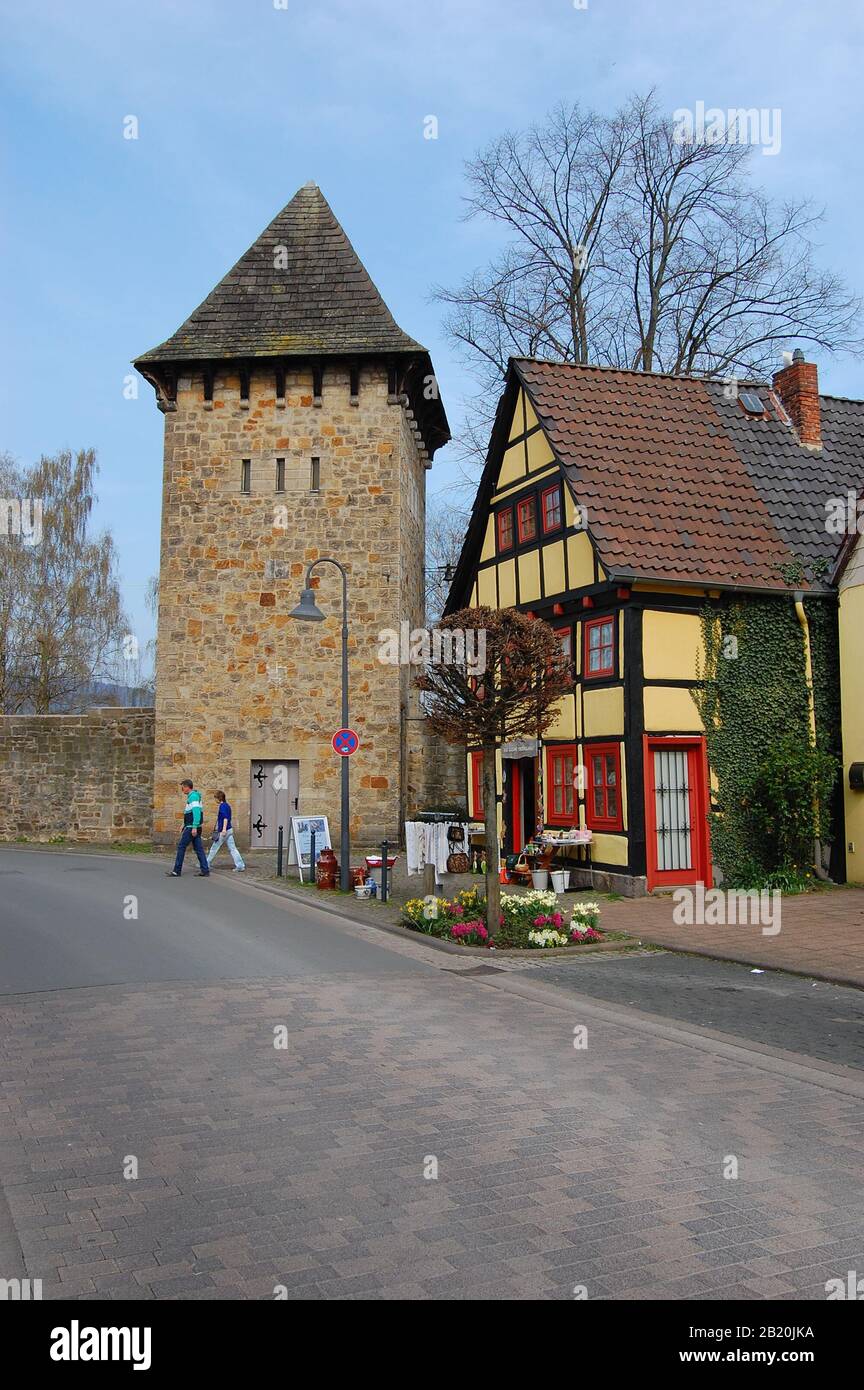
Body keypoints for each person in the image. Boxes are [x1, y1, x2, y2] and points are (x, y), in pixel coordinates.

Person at [166, 779, 210, 877]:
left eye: (183, 787)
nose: (182, 789)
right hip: (193, 826)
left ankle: (177, 870)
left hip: (192, 828)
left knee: (181, 847)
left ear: (187, 787)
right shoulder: (193, 796)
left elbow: (196, 812)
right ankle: (205, 870)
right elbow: (189, 813)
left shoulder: (193, 797)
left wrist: (193, 827)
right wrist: (184, 824)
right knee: (199, 849)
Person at [207, 790, 246, 872]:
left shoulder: (222, 806)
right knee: (233, 848)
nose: (215, 800)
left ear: (218, 798)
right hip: (229, 829)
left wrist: (223, 829)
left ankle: (206, 863)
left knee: (214, 848)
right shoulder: (227, 805)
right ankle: (240, 865)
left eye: (215, 798)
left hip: (224, 831)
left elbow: (225, 818)